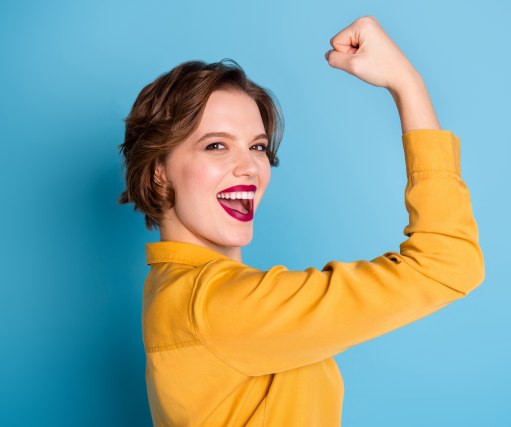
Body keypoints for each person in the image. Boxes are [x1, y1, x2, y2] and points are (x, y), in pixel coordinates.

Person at [118, 15, 485, 427]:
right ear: (159, 172)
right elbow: (447, 263)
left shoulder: (171, 291)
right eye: (216, 145)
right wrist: (407, 83)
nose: (249, 167)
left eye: (258, 147)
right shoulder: (217, 305)